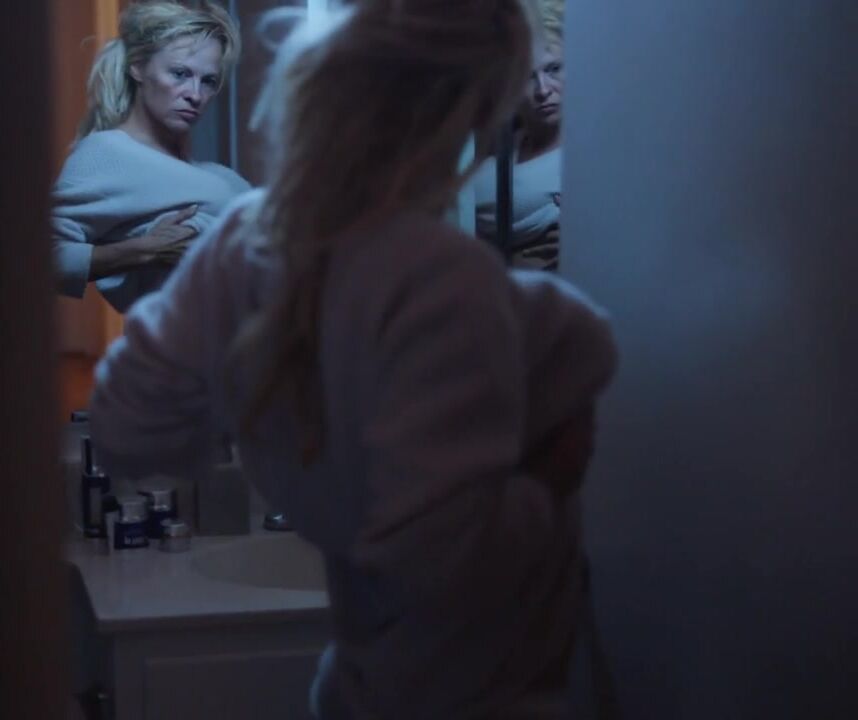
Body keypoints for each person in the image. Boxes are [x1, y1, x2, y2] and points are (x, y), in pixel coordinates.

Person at [90, 1, 617, 718]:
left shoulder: (249, 242)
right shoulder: (444, 282)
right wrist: (553, 475)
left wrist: (257, 400)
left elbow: (127, 428)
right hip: (473, 697)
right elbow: (441, 563)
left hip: (357, 688)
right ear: (473, 108)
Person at [52, 0, 249, 313]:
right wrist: (144, 251)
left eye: (208, 81)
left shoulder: (215, 173)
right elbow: (38, 258)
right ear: (138, 67)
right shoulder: (105, 153)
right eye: (180, 74)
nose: (195, 95)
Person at [474, 0, 565, 270]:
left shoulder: (587, 158)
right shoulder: (501, 142)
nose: (543, 90)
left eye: (554, 69)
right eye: (528, 76)